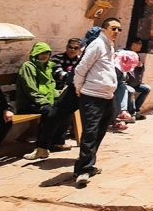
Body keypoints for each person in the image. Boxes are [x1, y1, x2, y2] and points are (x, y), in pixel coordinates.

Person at [24, 27, 98, 161]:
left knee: (90, 125)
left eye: (78, 47)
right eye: (72, 47)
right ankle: (45, 147)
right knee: (57, 115)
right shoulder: (32, 66)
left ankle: (86, 161)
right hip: (81, 89)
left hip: (86, 90)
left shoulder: (95, 51)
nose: (75, 50)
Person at [73, 17, 121, 186]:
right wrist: (78, 87)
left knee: (99, 132)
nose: (116, 32)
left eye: (118, 29)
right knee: (90, 133)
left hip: (106, 96)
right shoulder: (97, 45)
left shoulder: (109, 45)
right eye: (113, 28)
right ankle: (83, 170)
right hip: (92, 96)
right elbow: (81, 68)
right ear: (103, 29)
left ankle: (85, 164)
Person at [16, 42, 68, 149]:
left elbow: (50, 86)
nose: (45, 56)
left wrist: (59, 95)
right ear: (36, 54)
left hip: (45, 101)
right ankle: (43, 145)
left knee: (65, 109)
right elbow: (30, 89)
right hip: (29, 103)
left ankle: (57, 142)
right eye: (42, 53)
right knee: (50, 112)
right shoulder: (28, 67)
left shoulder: (47, 67)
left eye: (47, 53)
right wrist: (45, 102)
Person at [125, 38, 151, 120]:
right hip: (127, 83)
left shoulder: (137, 55)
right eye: (139, 44)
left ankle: (136, 109)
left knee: (146, 88)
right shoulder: (125, 53)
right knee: (131, 91)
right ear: (133, 44)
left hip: (136, 83)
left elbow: (142, 69)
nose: (141, 46)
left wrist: (141, 65)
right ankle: (132, 113)